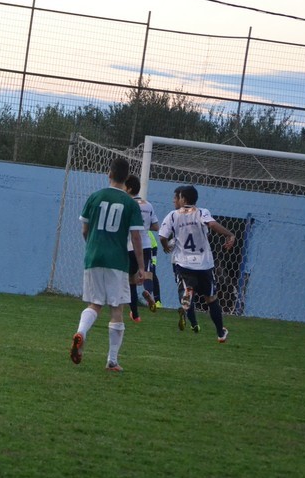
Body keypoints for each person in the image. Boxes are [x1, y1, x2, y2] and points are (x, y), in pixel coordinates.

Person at [70, 157, 147, 372]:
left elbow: (85, 230)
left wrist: (92, 247)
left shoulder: (95, 197)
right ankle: (112, 360)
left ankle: (81, 333)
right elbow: (136, 237)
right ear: (127, 178)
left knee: (94, 304)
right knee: (117, 308)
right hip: (117, 261)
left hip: (93, 257)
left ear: (109, 174)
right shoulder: (130, 203)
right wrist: (141, 268)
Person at [158, 185, 235, 343]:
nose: (176, 200)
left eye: (178, 197)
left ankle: (187, 299)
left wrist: (165, 246)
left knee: (186, 291)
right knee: (211, 299)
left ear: (183, 199)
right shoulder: (201, 212)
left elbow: (162, 236)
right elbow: (212, 224)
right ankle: (220, 333)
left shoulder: (173, 215)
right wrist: (230, 234)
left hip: (184, 263)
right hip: (204, 264)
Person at [124, 175, 160, 322]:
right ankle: (148, 291)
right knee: (146, 274)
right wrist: (144, 226)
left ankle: (135, 314)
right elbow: (156, 226)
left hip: (130, 246)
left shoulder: (127, 204)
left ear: (129, 189)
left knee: (131, 281)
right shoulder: (148, 205)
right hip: (145, 245)